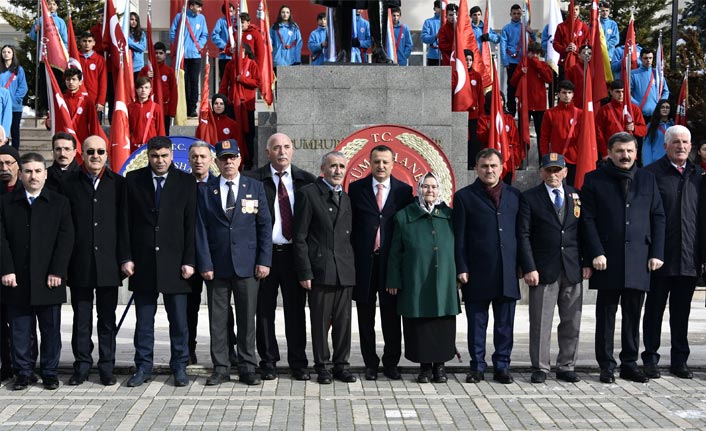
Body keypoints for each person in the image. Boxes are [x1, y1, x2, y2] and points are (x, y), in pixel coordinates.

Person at [581, 132, 665, 384]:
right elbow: (587, 219)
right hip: (607, 259)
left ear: (636, 152)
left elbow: (658, 216)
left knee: (633, 314)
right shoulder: (594, 179)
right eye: (619, 151)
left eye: (629, 151)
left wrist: (657, 253)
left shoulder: (648, 179)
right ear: (609, 152)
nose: (625, 155)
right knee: (606, 315)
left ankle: (629, 363)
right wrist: (595, 252)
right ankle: (606, 365)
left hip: (640, 258)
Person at [120, 136, 197, 388]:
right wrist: (126, 257)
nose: (160, 160)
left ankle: (179, 366)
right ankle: (143, 366)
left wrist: (189, 260)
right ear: (148, 156)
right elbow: (125, 224)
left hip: (176, 264)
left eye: (164, 155)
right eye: (155, 156)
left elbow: (190, 224)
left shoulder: (186, 181)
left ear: (172, 155)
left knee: (179, 321)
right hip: (142, 263)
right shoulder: (133, 180)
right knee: (144, 321)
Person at [195, 139, 272, 386]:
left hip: (248, 266)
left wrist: (264, 260)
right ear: (216, 162)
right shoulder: (207, 191)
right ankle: (221, 367)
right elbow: (201, 230)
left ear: (240, 160)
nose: (228, 162)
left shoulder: (255, 187)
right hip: (217, 267)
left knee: (247, 318)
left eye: (232, 157)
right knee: (218, 320)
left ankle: (248, 366)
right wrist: (205, 263)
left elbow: (264, 227)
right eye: (223, 158)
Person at [1, 152, 74, 391]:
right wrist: (7, 270)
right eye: (28, 171)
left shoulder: (59, 202)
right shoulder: (6, 203)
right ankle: (23, 372)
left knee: (50, 329)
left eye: (38, 171)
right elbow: (1, 240)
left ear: (45, 174)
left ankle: (50, 372)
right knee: (20, 329)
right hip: (17, 279)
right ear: (20, 174)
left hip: (49, 279)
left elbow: (66, 239)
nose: (33, 176)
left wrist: (57, 271)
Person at [247, 133, 316, 381]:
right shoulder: (252, 180)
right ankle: (268, 361)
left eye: (287, 146)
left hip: (294, 256)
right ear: (268, 153)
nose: (282, 152)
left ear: (293, 150)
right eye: (276, 148)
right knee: (264, 312)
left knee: (295, 311)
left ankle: (298, 362)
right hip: (264, 256)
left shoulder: (306, 182)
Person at [517, 153, 588, 384]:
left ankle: (566, 365)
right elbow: (524, 235)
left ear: (565, 172)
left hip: (571, 267)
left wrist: (586, 261)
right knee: (540, 322)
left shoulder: (575, 195)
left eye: (557, 170)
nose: (553, 174)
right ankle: (540, 366)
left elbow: (584, 230)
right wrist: (529, 267)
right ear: (541, 172)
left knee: (572, 321)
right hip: (543, 270)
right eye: (548, 170)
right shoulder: (529, 197)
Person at [453, 148, 521, 384]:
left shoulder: (514, 195)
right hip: (477, 271)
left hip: (507, 270)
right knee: (477, 324)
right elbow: (459, 237)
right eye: (484, 166)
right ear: (476, 169)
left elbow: (521, 234)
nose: (489, 170)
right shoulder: (464, 197)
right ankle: (477, 366)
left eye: (493, 166)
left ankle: (502, 365)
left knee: (505, 325)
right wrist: (461, 267)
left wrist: (522, 265)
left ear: (501, 168)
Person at [60, 135, 123, 387]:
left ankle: (107, 366)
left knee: (107, 318)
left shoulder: (119, 184)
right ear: (81, 155)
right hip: (80, 263)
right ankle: (82, 365)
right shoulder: (68, 184)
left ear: (107, 154)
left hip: (108, 263)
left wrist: (125, 259)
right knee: (81, 318)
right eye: (90, 152)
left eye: (100, 151)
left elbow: (124, 225)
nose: (95, 156)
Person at [386, 172, 460, 384]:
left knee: (442, 324)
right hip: (415, 279)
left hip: (444, 279)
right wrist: (393, 279)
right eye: (426, 187)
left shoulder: (449, 215)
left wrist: (459, 273)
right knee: (420, 324)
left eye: (434, 187)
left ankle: (440, 367)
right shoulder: (404, 216)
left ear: (440, 190)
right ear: (418, 189)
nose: (430, 191)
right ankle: (425, 368)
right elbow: (395, 252)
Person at [349, 145, 414, 381]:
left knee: (391, 317)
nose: (381, 166)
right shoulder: (356, 189)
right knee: (365, 317)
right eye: (377, 161)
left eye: (385, 162)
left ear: (393, 163)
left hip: (391, 265)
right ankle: (370, 363)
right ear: (370, 162)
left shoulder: (404, 192)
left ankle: (391, 362)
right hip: (364, 264)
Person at [643, 125, 702, 380]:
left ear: (691, 146)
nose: (681, 146)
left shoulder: (699, 175)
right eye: (676, 141)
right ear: (665, 145)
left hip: (689, 257)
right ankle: (651, 359)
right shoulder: (651, 174)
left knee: (682, 312)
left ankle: (680, 360)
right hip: (659, 257)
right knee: (654, 311)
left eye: (685, 142)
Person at [293, 151, 356, 384]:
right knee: (320, 323)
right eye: (333, 166)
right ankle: (323, 366)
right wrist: (305, 271)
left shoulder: (346, 197)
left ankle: (342, 365)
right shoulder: (308, 195)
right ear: (323, 168)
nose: (338, 170)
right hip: (320, 270)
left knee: (343, 323)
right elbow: (299, 237)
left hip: (344, 271)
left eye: (341, 166)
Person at [510, 41, 553, 155]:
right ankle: (522, 158)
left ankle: (541, 159)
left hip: (539, 105)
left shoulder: (543, 65)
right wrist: (520, 72)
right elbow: (513, 82)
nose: (534, 56)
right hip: (525, 104)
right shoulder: (523, 64)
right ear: (528, 53)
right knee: (522, 132)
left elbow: (549, 79)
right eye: (532, 53)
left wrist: (537, 64)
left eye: (537, 53)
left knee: (541, 133)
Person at [539, 80, 582, 185]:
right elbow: (544, 137)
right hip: (555, 158)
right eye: (564, 92)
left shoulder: (581, 114)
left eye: (569, 92)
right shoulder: (550, 114)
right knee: (554, 187)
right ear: (558, 94)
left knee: (573, 189)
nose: (567, 95)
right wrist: (545, 156)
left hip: (574, 158)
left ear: (573, 94)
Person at [170, 0, 208, 118]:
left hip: (195, 56)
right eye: (198, 7)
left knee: (194, 81)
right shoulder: (180, 16)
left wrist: (199, 47)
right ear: (191, 6)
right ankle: (184, 107)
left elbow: (204, 35)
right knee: (183, 82)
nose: (200, 9)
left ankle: (192, 108)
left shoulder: (201, 18)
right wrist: (177, 47)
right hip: (182, 57)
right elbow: (172, 33)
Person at [29, 0, 67, 117]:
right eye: (49, 4)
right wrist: (36, 30)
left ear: (57, 7)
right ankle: (44, 107)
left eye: (53, 4)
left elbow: (65, 40)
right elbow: (32, 37)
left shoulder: (60, 22)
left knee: (59, 81)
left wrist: (65, 55)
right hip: (44, 57)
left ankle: (58, 105)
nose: (51, 6)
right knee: (43, 82)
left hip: (57, 58)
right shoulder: (40, 20)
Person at [595, 80, 647, 160]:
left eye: (623, 91)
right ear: (611, 92)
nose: (621, 95)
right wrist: (605, 152)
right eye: (617, 92)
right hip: (612, 152)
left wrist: (634, 128)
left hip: (629, 151)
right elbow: (599, 133)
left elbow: (643, 130)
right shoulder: (604, 110)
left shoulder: (634, 109)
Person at [501, 3, 535, 116]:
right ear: (510, 14)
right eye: (514, 13)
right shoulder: (506, 28)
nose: (516, 15)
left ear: (521, 14)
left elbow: (533, 43)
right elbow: (503, 45)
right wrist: (505, 61)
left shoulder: (525, 27)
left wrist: (532, 33)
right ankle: (511, 110)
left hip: (523, 62)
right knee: (511, 87)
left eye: (518, 13)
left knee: (525, 86)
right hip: (511, 62)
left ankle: (524, 110)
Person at [58, 68, 107, 145]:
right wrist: (48, 122)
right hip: (65, 141)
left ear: (80, 82)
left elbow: (93, 124)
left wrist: (93, 141)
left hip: (82, 141)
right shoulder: (60, 99)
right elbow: (51, 119)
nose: (71, 82)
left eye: (74, 79)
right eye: (68, 79)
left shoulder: (87, 101)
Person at [138, 42, 177, 136]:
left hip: (165, 109)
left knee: (164, 134)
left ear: (165, 55)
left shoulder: (169, 71)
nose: (158, 55)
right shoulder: (145, 70)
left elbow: (174, 91)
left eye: (161, 53)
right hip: (148, 108)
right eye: (156, 53)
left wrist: (172, 111)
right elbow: (138, 86)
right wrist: (146, 77)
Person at [630, 48, 669, 123]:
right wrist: (637, 104)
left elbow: (665, 91)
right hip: (640, 114)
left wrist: (661, 104)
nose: (648, 60)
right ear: (640, 59)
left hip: (656, 114)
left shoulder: (658, 74)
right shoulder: (633, 74)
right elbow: (627, 93)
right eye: (645, 58)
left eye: (650, 58)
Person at [0, 45, 28, 149]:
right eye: (4, 52)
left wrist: (15, 99)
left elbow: (23, 87)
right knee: (2, 130)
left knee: (14, 130)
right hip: (1, 107)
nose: (6, 54)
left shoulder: (19, 70)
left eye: (8, 52)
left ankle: (15, 152)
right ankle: (3, 150)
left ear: (13, 54)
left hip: (15, 106)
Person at [128, 77, 165, 151]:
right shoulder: (130, 107)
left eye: (146, 87)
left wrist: (161, 146)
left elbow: (160, 129)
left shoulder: (156, 107)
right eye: (141, 87)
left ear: (150, 90)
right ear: (136, 89)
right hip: (134, 147)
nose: (143, 90)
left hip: (151, 147)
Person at [552, 3, 588, 79]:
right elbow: (555, 43)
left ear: (579, 11)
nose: (574, 12)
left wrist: (577, 49)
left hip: (579, 61)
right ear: (568, 11)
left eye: (576, 9)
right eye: (572, 9)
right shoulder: (561, 27)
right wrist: (565, 49)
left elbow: (588, 44)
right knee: (565, 85)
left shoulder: (584, 27)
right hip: (564, 61)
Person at [77, 33, 107, 121]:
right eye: (84, 41)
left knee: (95, 130)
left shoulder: (99, 59)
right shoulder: (75, 58)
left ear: (94, 43)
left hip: (94, 100)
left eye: (90, 41)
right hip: (78, 99)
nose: (87, 44)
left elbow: (103, 82)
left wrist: (101, 101)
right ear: (80, 42)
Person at [463, 49, 485, 169]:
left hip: (474, 115)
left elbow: (480, 96)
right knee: (463, 139)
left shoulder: (476, 76)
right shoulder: (458, 74)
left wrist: (481, 113)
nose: (468, 62)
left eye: (470, 60)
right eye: (466, 59)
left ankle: (472, 163)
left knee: (474, 140)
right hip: (461, 113)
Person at [642, 100, 673, 166]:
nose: (665, 109)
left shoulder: (674, 126)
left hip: (672, 162)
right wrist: (647, 165)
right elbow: (647, 146)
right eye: (662, 107)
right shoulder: (651, 126)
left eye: (667, 107)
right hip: (656, 162)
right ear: (658, 109)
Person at [211, 2, 236, 78]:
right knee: (224, 79)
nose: (230, 14)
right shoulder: (221, 21)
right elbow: (214, 36)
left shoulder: (237, 21)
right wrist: (225, 46)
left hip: (236, 57)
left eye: (232, 11)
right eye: (228, 12)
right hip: (224, 56)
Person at [565, 44, 592, 109]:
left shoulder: (595, 69)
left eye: (589, 53)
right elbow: (568, 88)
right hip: (577, 104)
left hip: (591, 102)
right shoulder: (571, 70)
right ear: (579, 55)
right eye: (584, 53)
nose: (587, 55)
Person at [421, 1, 442, 66]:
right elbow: (424, 38)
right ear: (434, 9)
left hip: (446, 56)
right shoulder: (428, 22)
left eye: (442, 7)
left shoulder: (448, 22)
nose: (440, 10)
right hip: (433, 56)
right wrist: (435, 36)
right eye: (438, 7)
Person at [128, 12, 147, 81]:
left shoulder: (141, 33)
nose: (134, 22)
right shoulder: (124, 32)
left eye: (136, 20)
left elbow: (142, 48)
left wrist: (129, 42)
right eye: (132, 19)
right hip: (127, 66)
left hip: (138, 67)